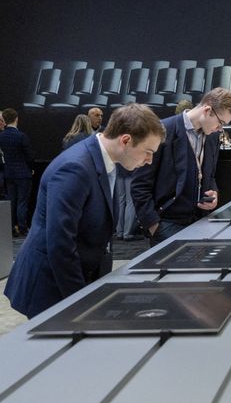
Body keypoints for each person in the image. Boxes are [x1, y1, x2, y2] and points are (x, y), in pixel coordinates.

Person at [4, 104, 165, 319]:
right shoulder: (75, 168)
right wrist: (81, 304)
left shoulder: (104, 161)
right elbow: (61, 244)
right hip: (52, 287)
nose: (149, 160)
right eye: (148, 152)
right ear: (125, 140)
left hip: (77, 278)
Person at [132, 87, 231, 247]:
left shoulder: (212, 138)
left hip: (200, 222)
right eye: (220, 123)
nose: (220, 129)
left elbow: (210, 175)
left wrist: (214, 192)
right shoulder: (163, 131)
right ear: (207, 110)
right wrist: (153, 226)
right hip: (166, 223)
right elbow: (139, 184)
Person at [0, 108, 34, 237]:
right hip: (23, 173)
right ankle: (22, 228)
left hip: (9, 173)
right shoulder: (21, 136)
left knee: (12, 201)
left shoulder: (1, 136)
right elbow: (29, 156)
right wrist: (31, 167)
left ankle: (11, 228)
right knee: (22, 202)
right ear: (16, 119)